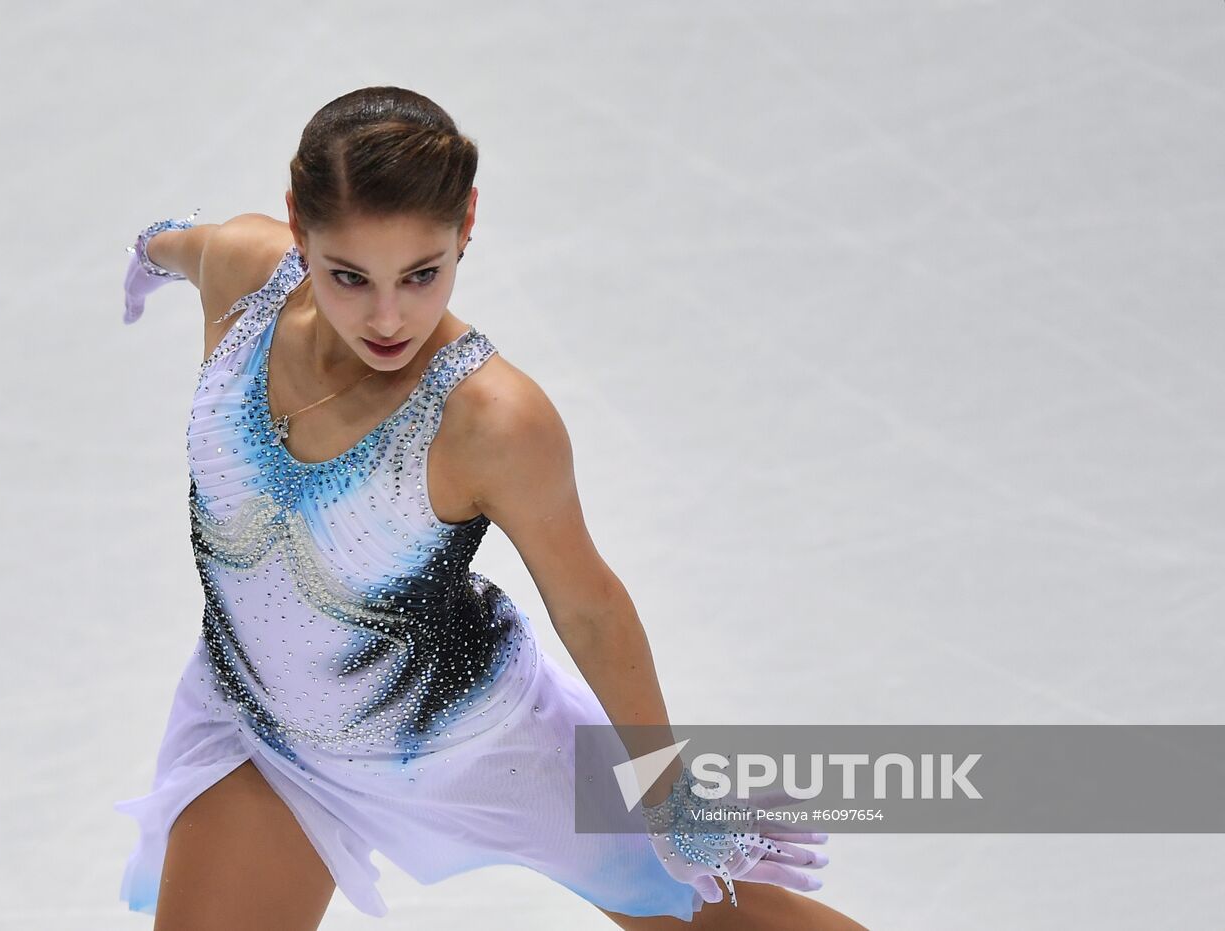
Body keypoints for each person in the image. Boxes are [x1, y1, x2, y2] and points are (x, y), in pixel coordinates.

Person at [114, 85, 868, 931]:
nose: (389, 316)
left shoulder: (492, 419)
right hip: (261, 730)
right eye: (350, 276)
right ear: (297, 225)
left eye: (422, 274)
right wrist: (154, 247)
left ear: (467, 222)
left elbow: (590, 606)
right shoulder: (243, 276)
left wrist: (669, 794)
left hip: (477, 749)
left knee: (720, 919)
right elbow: (188, 243)